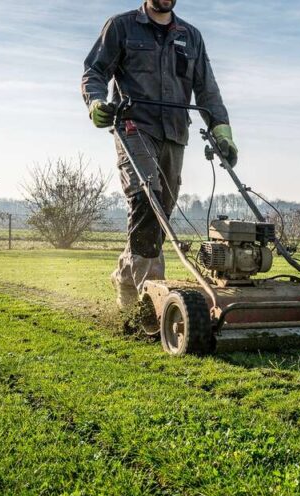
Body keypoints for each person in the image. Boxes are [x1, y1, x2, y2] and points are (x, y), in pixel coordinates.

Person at [81, 0, 238, 309]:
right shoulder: (122, 26)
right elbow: (95, 71)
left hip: (175, 133)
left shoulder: (190, 36)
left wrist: (222, 131)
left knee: (160, 213)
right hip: (133, 127)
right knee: (146, 198)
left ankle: (125, 275)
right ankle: (149, 299)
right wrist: (95, 102)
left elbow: (207, 90)